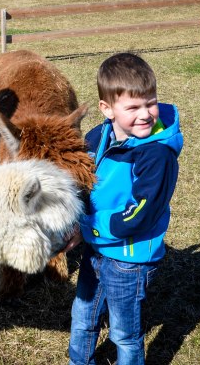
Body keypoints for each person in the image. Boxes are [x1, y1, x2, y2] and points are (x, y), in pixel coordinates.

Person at [65, 52, 183, 365]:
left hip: (129, 260)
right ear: (108, 109)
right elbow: (84, 184)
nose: (145, 114)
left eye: (150, 103)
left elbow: (139, 215)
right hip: (96, 249)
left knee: (124, 333)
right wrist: (77, 221)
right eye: (133, 107)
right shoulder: (97, 137)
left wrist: (89, 227)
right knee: (82, 315)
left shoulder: (157, 157)